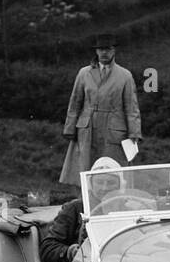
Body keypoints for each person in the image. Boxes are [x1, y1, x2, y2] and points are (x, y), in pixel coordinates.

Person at [59, 33, 142, 186]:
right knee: (86, 168)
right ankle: (85, 203)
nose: (104, 53)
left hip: (114, 129)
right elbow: (75, 102)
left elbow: (131, 107)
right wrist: (70, 128)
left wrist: (134, 133)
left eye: (108, 49)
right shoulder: (84, 73)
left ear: (114, 51)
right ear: (96, 51)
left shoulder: (125, 75)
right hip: (87, 127)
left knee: (112, 169)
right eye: (101, 49)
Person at [40, 158, 122, 262]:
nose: (104, 188)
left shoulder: (128, 208)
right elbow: (47, 248)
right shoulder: (74, 208)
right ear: (91, 183)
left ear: (120, 185)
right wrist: (71, 252)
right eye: (99, 182)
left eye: (111, 183)